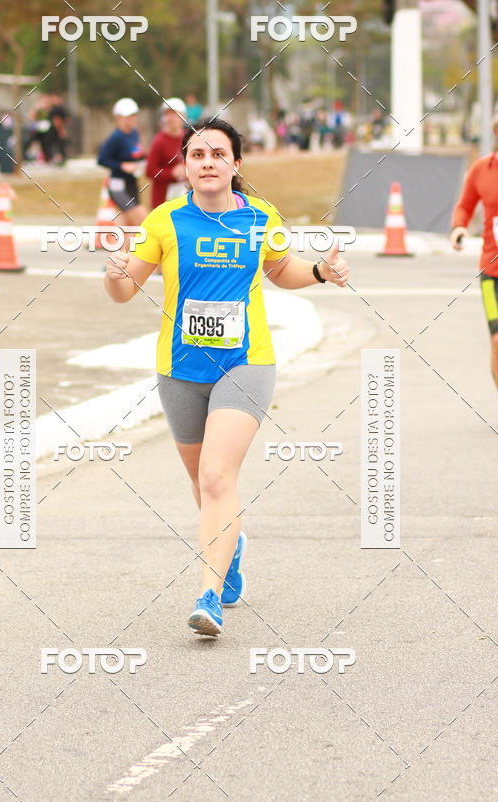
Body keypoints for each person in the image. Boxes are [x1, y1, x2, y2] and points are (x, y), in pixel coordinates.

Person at [104, 117, 349, 637]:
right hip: (181, 368)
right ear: (186, 167)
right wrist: (115, 275)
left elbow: (282, 271)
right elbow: (126, 293)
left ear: (236, 165)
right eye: (197, 155)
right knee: (202, 484)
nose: (208, 162)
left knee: (218, 476)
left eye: (218, 154)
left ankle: (207, 595)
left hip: (246, 362)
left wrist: (321, 272)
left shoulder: (262, 217)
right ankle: (230, 549)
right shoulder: (164, 222)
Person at [450, 115, 498, 387]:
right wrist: (459, 227)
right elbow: (465, 206)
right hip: (492, 273)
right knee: (497, 340)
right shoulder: (482, 170)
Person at [98, 98, 148, 228]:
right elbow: (102, 159)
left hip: (132, 184)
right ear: (119, 118)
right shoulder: (116, 137)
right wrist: (121, 165)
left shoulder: (134, 133)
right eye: (128, 117)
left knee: (126, 226)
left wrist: (142, 157)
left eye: (133, 116)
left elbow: (135, 153)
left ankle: (122, 249)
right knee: (143, 221)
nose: (132, 119)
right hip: (118, 186)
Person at [145, 97, 187, 209]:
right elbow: (150, 171)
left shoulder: (188, 138)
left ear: (183, 116)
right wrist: (171, 173)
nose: (171, 118)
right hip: (162, 201)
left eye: (174, 114)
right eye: (168, 114)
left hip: (185, 198)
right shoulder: (159, 141)